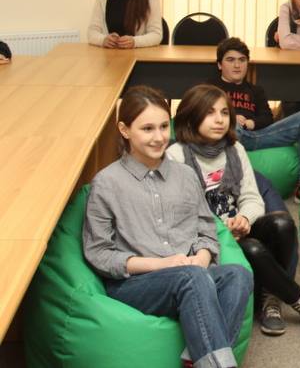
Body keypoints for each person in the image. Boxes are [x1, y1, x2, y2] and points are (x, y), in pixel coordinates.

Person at [83, 85, 252, 368]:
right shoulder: (107, 183)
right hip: (136, 284)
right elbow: (99, 253)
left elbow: (206, 228)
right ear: (124, 130)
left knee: (239, 274)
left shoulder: (186, 175)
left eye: (163, 126)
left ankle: (196, 361)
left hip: (190, 275)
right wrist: (163, 265)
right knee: (191, 278)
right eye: (147, 129)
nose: (160, 137)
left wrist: (202, 258)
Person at [167, 84, 300, 337]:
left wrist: (244, 218)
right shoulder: (176, 156)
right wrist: (223, 229)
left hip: (237, 224)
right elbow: (182, 214)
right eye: (210, 113)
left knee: (283, 223)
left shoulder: (235, 149)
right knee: (253, 248)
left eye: (224, 112)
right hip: (206, 237)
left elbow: (252, 197)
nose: (219, 119)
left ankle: (270, 299)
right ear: (191, 116)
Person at [210, 37, 300, 203]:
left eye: (242, 60)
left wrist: (252, 123)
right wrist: (229, 115)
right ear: (220, 65)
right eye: (230, 60)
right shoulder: (211, 88)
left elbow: (267, 118)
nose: (237, 65)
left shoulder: (255, 90)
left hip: (258, 135)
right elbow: (199, 113)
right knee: (231, 125)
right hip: (231, 134)